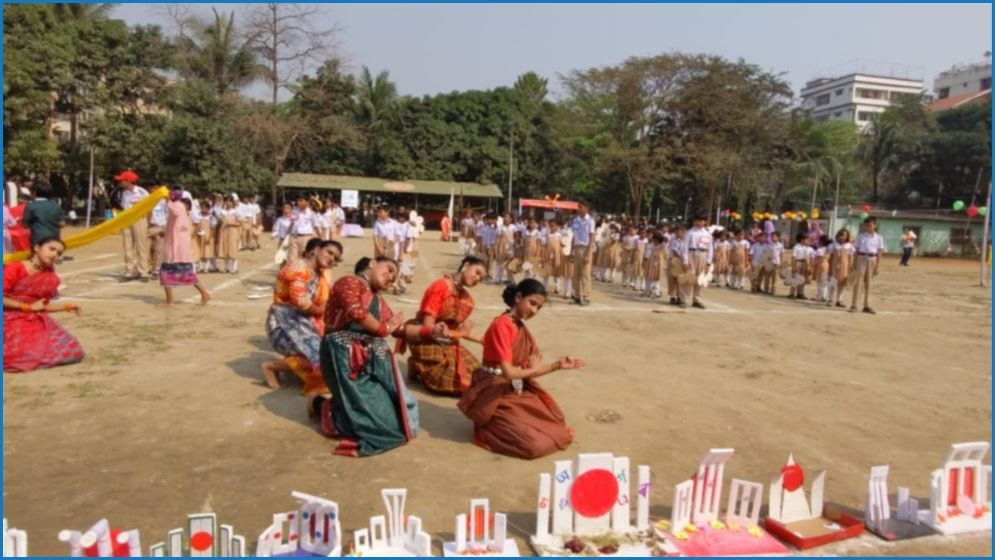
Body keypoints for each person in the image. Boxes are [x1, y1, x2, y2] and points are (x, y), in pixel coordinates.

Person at [457, 279, 584, 460]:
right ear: (518, 297)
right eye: (532, 303)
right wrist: (547, 367)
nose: (534, 311)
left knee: (558, 428)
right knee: (535, 446)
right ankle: (486, 432)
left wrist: (558, 366)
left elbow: (527, 371)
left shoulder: (517, 325)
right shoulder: (502, 325)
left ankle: (505, 423)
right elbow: (510, 372)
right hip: (493, 392)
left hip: (514, 389)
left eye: (538, 308)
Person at [311, 256, 419, 457]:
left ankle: (335, 407)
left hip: (371, 359)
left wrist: (433, 333)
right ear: (371, 262)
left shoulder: (377, 299)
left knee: (398, 418)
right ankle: (325, 409)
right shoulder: (349, 282)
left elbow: (400, 330)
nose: (390, 279)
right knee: (385, 431)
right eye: (388, 270)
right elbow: (356, 312)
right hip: (345, 359)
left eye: (394, 277)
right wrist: (384, 328)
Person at [262, 239, 343, 392]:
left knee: (331, 351)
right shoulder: (299, 267)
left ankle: (290, 364)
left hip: (303, 320)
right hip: (282, 323)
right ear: (317, 250)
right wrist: (321, 310)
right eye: (330, 253)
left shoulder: (318, 274)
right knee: (321, 358)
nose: (332, 259)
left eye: (336, 258)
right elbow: (300, 301)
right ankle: (271, 367)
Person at [402, 256, 486, 395]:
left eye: (481, 278)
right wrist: (458, 334)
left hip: (445, 338)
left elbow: (456, 330)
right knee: (448, 383)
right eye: (477, 272)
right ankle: (417, 365)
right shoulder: (441, 286)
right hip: (425, 335)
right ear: (466, 266)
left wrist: (481, 340)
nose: (477, 278)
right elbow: (429, 326)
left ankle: (420, 366)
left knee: (477, 376)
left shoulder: (466, 299)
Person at [3, 237, 84, 372]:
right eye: (51, 249)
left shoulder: (49, 276)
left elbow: (41, 306)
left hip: (33, 318)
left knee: (73, 351)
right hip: (8, 316)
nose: (54, 255)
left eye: (59, 253)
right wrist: (26, 307)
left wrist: (66, 307)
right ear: (36, 248)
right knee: (22, 356)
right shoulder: (15, 268)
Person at [160, 188, 211, 305]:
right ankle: (170, 299)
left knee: (183, 273)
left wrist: (167, 200)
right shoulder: (179, 207)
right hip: (173, 246)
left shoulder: (179, 206)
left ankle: (204, 293)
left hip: (177, 248)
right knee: (167, 273)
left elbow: (174, 210)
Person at [116, 170, 152, 282]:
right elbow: (124, 208)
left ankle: (143, 271)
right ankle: (129, 271)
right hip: (127, 220)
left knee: (141, 245)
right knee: (127, 246)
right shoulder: (124, 193)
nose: (121, 183)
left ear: (128, 181)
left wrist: (148, 222)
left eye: (122, 180)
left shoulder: (142, 192)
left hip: (140, 220)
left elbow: (149, 208)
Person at [851, 217, 885, 314]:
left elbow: (879, 252)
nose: (868, 227)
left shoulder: (879, 237)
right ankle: (854, 305)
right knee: (858, 282)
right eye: (866, 225)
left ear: (875, 225)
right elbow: (856, 250)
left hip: (872, 258)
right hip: (861, 258)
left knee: (869, 283)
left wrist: (878, 265)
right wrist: (854, 262)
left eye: (870, 225)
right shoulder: (861, 236)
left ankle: (867, 305)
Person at [683, 216, 713, 309]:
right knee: (689, 277)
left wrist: (708, 262)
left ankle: (696, 299)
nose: (699, 222)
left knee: (700, 278)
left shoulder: (707, 234)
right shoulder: (690, 232)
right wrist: (685, 260)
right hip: (692, 254)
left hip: (703, 255)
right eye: (697, 220)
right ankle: (683, 299)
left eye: (702, 221)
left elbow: (710, 248)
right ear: (694, 221)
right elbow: (685, 247)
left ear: (705, 222)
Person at [22, 180, 64, 246]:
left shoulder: (31, 206)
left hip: (38, 240)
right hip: (54, 239)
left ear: (34, 192)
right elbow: (62, 224)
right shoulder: (56, 206)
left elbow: (25, 225)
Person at [570, 201, 596, 306]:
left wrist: (588, 253)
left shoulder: (590, 221)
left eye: (580, 207)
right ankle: (576, 295)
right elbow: (574, 234)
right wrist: (572, 249)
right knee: (576, 272)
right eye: (578, 207)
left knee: (585, 273)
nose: (578, 209)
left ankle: (585, 296)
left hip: (586, 248)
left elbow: (592, 237)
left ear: (586, 208)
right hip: (577, 247)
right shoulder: (576, 220)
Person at [826, 229, 855, 308]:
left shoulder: (849, 246)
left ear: (847, 237)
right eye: (840, 235)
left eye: (843, 236)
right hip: (834, 266)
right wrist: (829, 268)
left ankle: (839, 300)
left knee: (842, 283)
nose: (841, 237)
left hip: (844, 266)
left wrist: (850, 268)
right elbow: (830, 257)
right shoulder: (833, 245)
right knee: (833, 282)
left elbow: (851, 258)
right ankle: (830, 299)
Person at [217, 197, 241, 273]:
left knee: (233, 248)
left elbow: (240, 223)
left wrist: (231, 223)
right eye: (227, 201)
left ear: (233, 203)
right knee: (225, 248)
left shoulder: (235, 212)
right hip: (224, 231)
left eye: (230, 201)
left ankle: (234, 267)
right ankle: (226, 267)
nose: (228, 203)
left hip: (233, 231)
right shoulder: (222, 212)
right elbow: (220, 223)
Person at [788, 233, 814, 300]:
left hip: (804, 263)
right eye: (806, 240)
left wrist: (808, 266)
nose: (807, 241)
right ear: (802, 240)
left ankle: (800, 293)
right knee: (795, 278)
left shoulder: (806, 248)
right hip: (798, 262)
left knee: (802, 279)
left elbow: (808, 257)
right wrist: (793, 266)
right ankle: (792, 293)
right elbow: (793, 257)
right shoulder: (796, 247)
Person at [148, 196, 168, 275]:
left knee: (158, 250)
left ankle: (157, 269)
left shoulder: (163, 202)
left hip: (160, 226)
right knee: (147, 249)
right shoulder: (147, 200)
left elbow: (167, 214)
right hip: (149, 227)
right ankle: (149, 267)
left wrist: (165, 228)